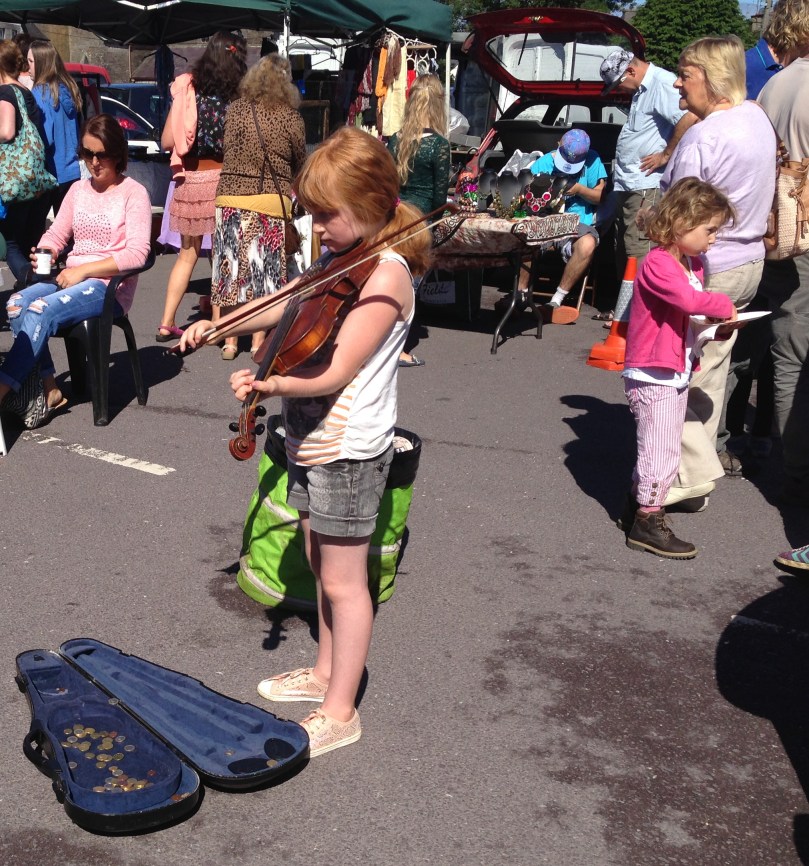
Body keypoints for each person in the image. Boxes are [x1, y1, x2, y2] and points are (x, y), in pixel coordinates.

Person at [179, 126, 431, 756]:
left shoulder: (388, 275)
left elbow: (340, 366)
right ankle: (323, 672)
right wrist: (220, 323)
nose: (316, 227)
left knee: (346, 582)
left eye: (326, 214)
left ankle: (341, 710)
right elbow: (288, 298)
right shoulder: (342, 260)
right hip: (311, 439)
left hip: (347, 447)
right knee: (322, 564)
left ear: (372, 207)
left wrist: (268, 382)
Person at [660, 35, 775, 509]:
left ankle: (687, 481)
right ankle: (695, 471)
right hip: (748, 262)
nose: (677, 82)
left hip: (711, 267)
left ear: (709, 77)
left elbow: (675, 214)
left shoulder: (705, 136)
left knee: (683, 376)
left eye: (685, 74)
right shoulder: (755, 119)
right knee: (712, 372)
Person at [0, 114, 151, 428]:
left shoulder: (133, 193)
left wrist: (85, 271)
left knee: (40, 309)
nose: (94, 162)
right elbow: (57, 233)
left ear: (118, 155)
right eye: (87, 153)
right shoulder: (79, 191)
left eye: (101, 155)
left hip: (108, 287)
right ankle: (50, 387)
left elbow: (138, 254)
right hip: (71, 280)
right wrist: (46, 249)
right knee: (16, 304)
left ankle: (2, 390)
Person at [621, 178, 737, 559]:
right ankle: (647, 519)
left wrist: (718, 330)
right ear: (683, 223)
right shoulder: (658, 263)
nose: (713, 239)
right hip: (653, 372)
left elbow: (691, 317)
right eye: (710, 230)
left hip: (672, 369)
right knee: (660, 448)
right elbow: (690, 301)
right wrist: (722, 304)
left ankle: (639, 504)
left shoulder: (690, 263)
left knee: (663, 443)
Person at [212, 53, 306, 361]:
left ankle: (228, 341)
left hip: (230, 197)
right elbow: (300, 161)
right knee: (263, 276)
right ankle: (256, 342)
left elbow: (228, 149)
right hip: (269, 200)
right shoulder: (290, 116)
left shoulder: (236, 110)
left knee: (230, 270)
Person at [156, 31, 246, 343]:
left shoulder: (188, 91)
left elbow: (167, 141)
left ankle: (166, 322)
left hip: (188, 182)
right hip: (222, 180)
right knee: (222, 255)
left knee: (186, 254)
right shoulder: (239, 98)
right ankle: (220, 327)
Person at [757, 0, 809, 507]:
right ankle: (797, 473)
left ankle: (787, 461)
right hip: (804, 230)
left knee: (787, 348)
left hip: (783, 233)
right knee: (795, 351)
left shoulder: (776, 84)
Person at [599, 48, 697, 277]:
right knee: (625, 246)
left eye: (618, 85)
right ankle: (625, 308)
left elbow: (689, 117)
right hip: (630, 183)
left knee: (639, 248)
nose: (619, 91)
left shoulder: (661, 84)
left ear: (631, 70)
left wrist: (666, 154)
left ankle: (638, 308)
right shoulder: (643, 88)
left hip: (645, 185)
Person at [386, 73, 450, 366]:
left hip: (394, 217)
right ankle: (398, 348)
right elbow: (439, 197)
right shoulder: (438, 145)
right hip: (421, 221)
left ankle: (379, 343)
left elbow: (386, 183)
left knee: (387, 282)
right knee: (410, 286)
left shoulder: (395, 140)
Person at [529, 128, 607, 324]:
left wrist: (580, 189)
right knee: (524, 235)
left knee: (588, 243)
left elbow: (600, 197)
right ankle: (521, 294)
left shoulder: (592, 160)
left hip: (577, 222)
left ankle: (556, 300)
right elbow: (526, 195)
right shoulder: (545, 162)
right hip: (546, 218)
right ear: (558, 145)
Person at [0, 39, 50, 283]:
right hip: (35, 180)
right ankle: (37, 287)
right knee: (31, 242)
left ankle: (30, 281)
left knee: (9, 243)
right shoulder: (25, 91)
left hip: (15, 181)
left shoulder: (6, 92)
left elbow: (7, 132)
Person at [28, 39, 81, 214]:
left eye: (30, 62)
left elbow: (45, 138)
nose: (27, 67)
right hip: (72, 170)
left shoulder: (39, 94)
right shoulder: (68, 89)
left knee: (36, 235)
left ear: (42, 63)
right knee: (67, 233)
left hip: (51, 172)